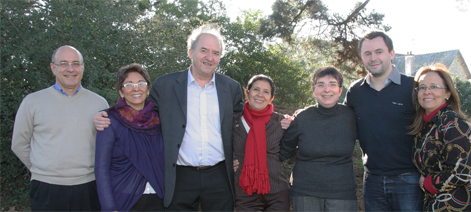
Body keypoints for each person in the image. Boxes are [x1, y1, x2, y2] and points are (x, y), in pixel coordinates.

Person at [93, 23, 245, 211]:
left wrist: (241, 154)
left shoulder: (231, 88)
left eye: (215, 52)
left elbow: (243, 123)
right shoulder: (165, 85)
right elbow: (141, 112)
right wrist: (108, 115)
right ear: (190, 52)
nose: (209, 57)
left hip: (219, 175)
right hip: (178, 176)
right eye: (203, 50)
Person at [344, 31, 471, 212]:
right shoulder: (355, 91)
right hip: (373, 179)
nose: (373, 58)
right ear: (361, 57)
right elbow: (339, 118)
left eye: (379, 51)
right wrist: (303, 115)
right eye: (367, 53)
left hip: (409, 179)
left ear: (391, 54)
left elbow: (440, 113)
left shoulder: (413, 87)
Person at [11, 45, 108, 212]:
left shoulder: (99, 103)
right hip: (46, 187)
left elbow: (106, 146)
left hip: (88, 187)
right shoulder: (32, 102)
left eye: (76, 63)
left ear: (83, 68)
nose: (70, 69)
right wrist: (42, 169)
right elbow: (19, 144)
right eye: (63, 63)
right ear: (52, 68)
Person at [409, 64, 471, 212]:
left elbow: (460, 172)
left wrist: (427, 183)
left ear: (448, 93)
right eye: (422, 87)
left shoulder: (451, 123)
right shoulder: (424, 126)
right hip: (441, 204)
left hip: (468, 205)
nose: (427, 92)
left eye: (434, 86)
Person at [280, 66, 358, 212]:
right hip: (305, 193)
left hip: (342, 194)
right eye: (321, 84)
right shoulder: (302, 118)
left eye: (332, 84)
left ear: (340, 90)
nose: (326, 89)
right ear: (314, 89)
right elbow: (281, 152)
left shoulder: (351, 117)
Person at [94, 63, 164, 212]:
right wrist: (108, 206)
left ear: (148, 89)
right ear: (121, 91)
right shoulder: (110, 120)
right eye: (129, 84)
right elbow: (101, 169)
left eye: (141, 83)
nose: (136, 88)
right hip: (124, 200)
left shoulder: (159, 120)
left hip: (158, 200)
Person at [232, 74, 290, 212]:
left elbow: (293, 150)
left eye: (266, 92)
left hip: (276, 193)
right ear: (247, 93)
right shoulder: (232, 121)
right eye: (256, 89)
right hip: (245, 193)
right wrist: (230, 161)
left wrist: (294, 123)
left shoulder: (281, 122)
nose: (260, 95)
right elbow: (219, 147)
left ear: (271, 99)